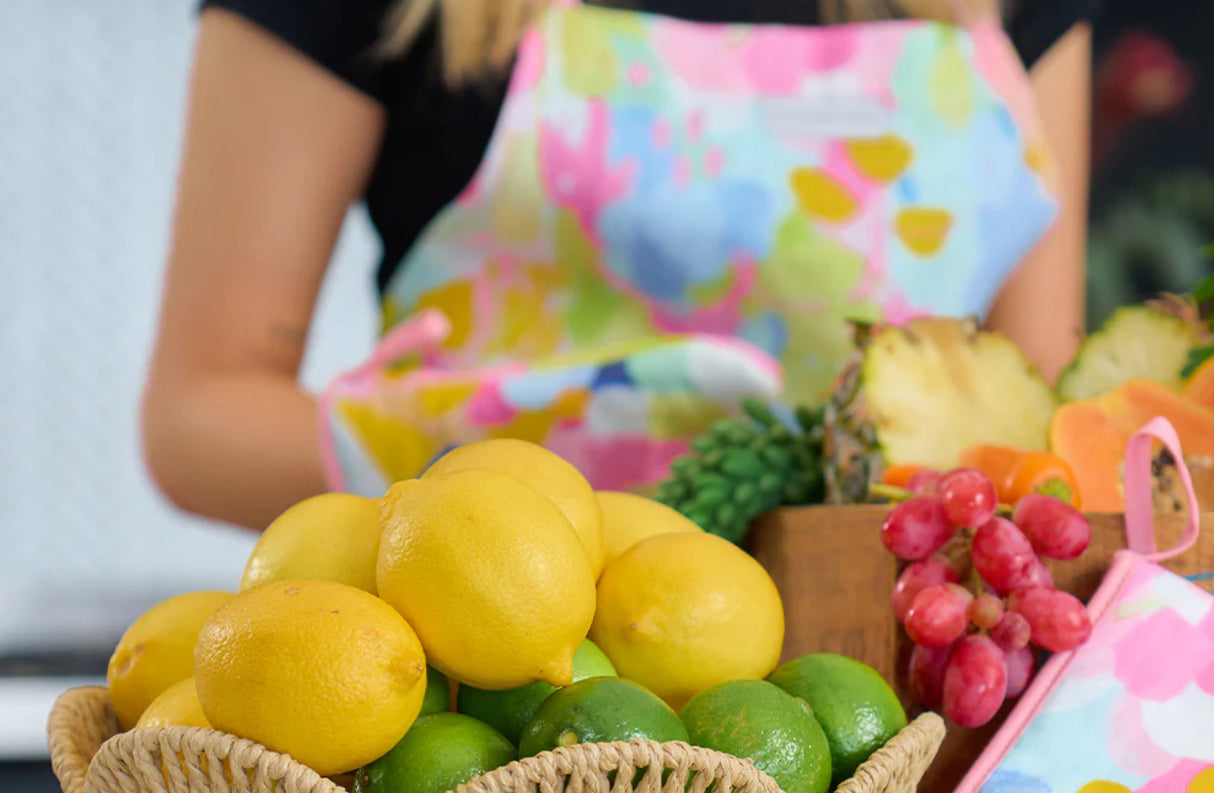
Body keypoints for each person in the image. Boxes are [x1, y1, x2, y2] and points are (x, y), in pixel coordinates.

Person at [142, 0, 1095, 530]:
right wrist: (410, 444)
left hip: (893, 714)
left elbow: (1046, 425)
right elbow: (198, 418)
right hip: (498, 681)